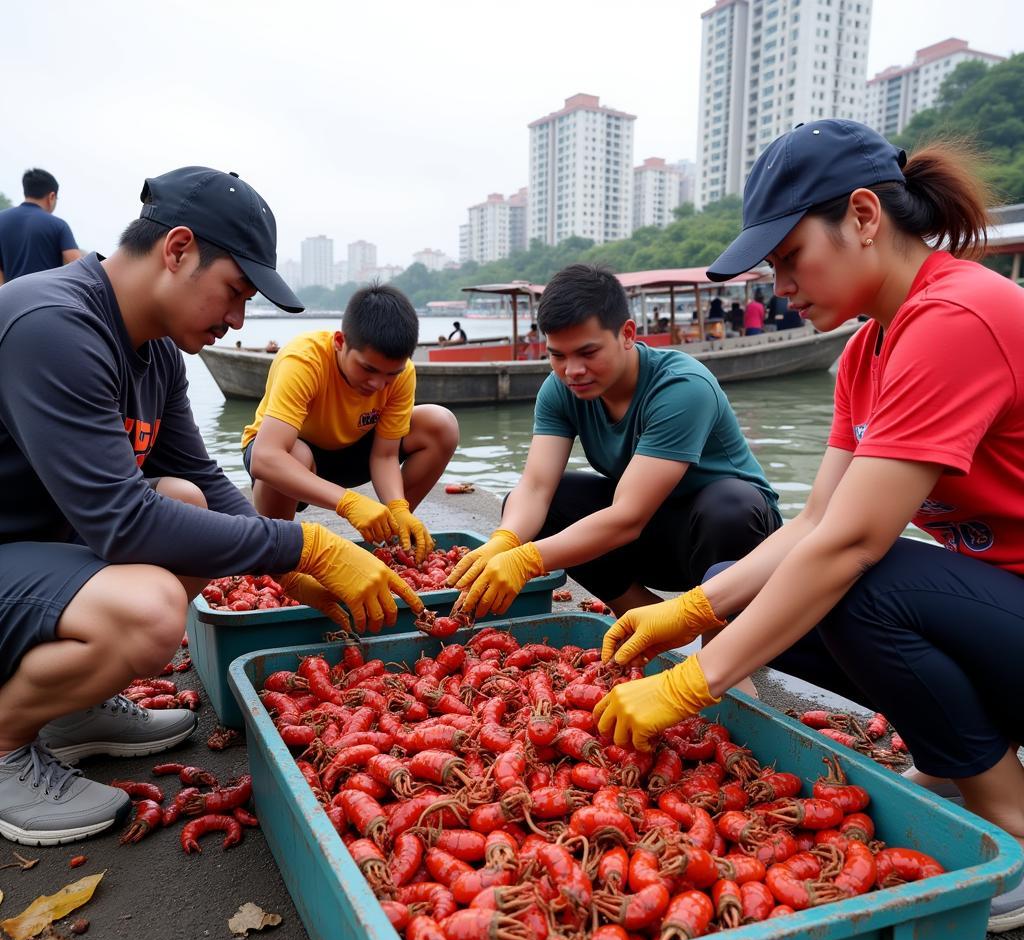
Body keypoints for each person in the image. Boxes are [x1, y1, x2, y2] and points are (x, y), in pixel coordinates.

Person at [593, 120, 1024, 932]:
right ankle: (955, 757)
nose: (780, 284)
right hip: (1002, 607)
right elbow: (816, 518)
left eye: (791, 258)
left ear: (864, 215)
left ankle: (1012, 820)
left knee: (862, 584)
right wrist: (692, 611)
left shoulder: (957, 316)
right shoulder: (867, 353)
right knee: (738, 586)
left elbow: (852, 543)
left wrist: (694, 681)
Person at [0, 166, 423, 846]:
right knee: (151, 608)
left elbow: (204, 480)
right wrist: (307, 545)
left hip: (34, 556)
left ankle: (68, 712)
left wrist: (283, 571)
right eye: (234, 292)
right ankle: (4, 745)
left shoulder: (159, 354)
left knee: (185, 496)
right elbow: (123, 521)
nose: (236, 320)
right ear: (177, 249)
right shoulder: (54, 324)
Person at [447, 263, 781, 620]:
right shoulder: (560, 389)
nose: (572, 370)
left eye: (587, 353)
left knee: (730, 505)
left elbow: (628, 516)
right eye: (557, 355)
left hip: (729, 544)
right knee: (546, 502)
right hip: (652, 532)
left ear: (627, 334)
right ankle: (646, 618)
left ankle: (722, 641)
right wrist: (505, 541)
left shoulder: (682, 387)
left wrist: (528, 560)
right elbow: (536, 487)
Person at [242, 283, 458, 562]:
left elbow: (385, 455)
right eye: (367, 368)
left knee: (441, 424)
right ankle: (279, 551)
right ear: (340, 342)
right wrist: (348, 502)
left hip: (354, 449)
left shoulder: (402, 374)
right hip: (290, 457)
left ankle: (393, 537)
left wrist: (398, 506)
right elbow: (265, 457)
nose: (378, 384)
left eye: (391, 374)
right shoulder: (304, 360)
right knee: (295, 453)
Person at [0, 168, 83, 284]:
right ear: (52, 197)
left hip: (10, 298)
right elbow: (79, 267)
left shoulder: (2, 219)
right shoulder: (58, 225)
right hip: (47, 299)